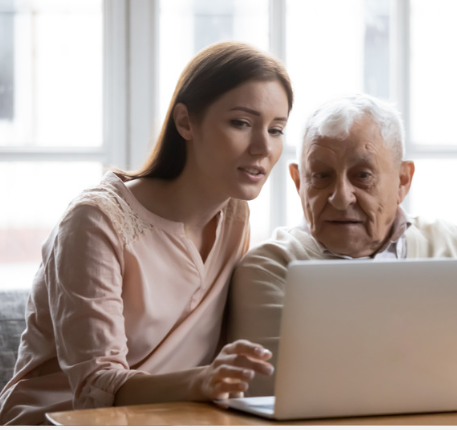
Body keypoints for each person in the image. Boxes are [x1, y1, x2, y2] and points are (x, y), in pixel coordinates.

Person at [0, 41, 293, 425]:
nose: (262, 147)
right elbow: (95, 386)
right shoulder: (94, 222)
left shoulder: (235, 216)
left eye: (276, 129)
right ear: (186, 122)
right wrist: (202, 382)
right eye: (241, 122)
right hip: (60, 420)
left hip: (166, 420)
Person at [227, 93, 457, 401]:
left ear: (402, 180)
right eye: (321, 176)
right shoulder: (270, 268)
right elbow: (276, 398)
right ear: (297, 181)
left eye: (362, 175)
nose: (340, 197)